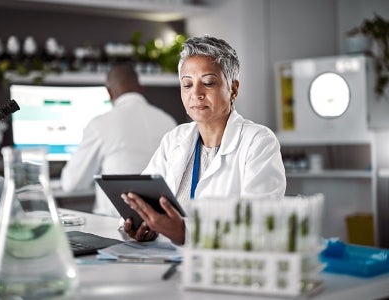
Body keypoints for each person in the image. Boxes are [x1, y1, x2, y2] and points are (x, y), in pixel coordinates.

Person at [120, 35, 286, 245]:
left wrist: (186, 233)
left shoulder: (258, 142)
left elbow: (257, 226)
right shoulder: (175, 139)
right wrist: (141, 225)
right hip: (168, 261)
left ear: (233, 89)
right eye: (187, 84)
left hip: (224, 270)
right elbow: (143, 200)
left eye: (208, 83)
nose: (196, 93)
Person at [60, 63, 177, 217]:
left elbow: (71, 183)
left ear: (109, 92)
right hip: (163, 224)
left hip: (116, 225)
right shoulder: (168, 121)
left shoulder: (100, 124)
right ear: (141, 88)